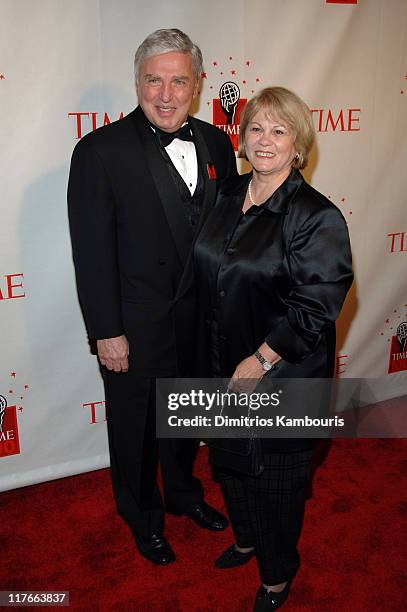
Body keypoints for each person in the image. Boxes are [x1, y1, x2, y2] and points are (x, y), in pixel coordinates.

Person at [68, 28, 237, 566]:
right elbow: (91, 254)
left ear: (197, 84)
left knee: (187, 421)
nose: (165, 94)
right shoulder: (99, 151)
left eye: (178, 81)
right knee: (137, 432)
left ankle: (185, 495)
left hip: (199, 321)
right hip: (134, 327)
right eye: (153, 80)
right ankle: (143, 518)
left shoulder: (216, 142)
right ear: (137, 82)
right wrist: (106, 332)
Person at [194, 87, 353, 610]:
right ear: (242, 138)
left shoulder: (315, 215)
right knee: (230, 463)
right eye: (257, 128)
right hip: (222, 361)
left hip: (283, 373)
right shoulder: (226, 195)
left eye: (279, 131)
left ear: (298, 145)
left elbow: (316, 303)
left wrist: (259, 360)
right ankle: (246, 538)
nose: (266, 140)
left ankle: (279, 573)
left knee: (278, 481)